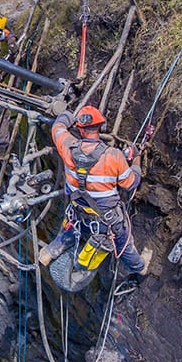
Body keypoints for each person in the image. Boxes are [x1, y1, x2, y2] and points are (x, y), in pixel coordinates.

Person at [38, 105, 151, 288]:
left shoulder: (67, 146)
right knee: (122, 241)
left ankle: (49, 252)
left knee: (75, 229)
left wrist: (68, 115)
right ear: (101, 127)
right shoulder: (113, 156)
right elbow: (130, 184)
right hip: (105, 220)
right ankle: (140, 267)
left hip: (78, 211)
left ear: (79, 128)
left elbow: (57, 127)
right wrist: (136, 161)